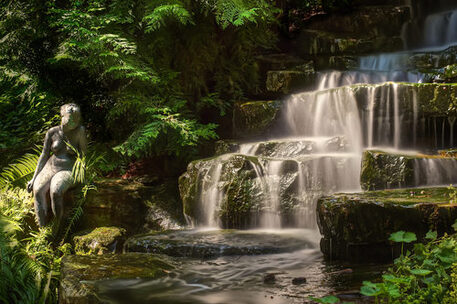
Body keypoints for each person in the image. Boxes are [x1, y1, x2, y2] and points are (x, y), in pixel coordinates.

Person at [27, 103, 87, 227]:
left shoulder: (80, 131)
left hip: (68, 168)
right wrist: (34, 177)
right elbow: (44, 155)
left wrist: (82, 174)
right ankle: (42, 229)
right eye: (70, 119)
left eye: (77, 119)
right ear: (62, 116)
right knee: (37, 190)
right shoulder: (52, 132)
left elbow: (83, 155)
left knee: (56, 191)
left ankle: (57, 227)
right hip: (51, 166)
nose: (74, 122)